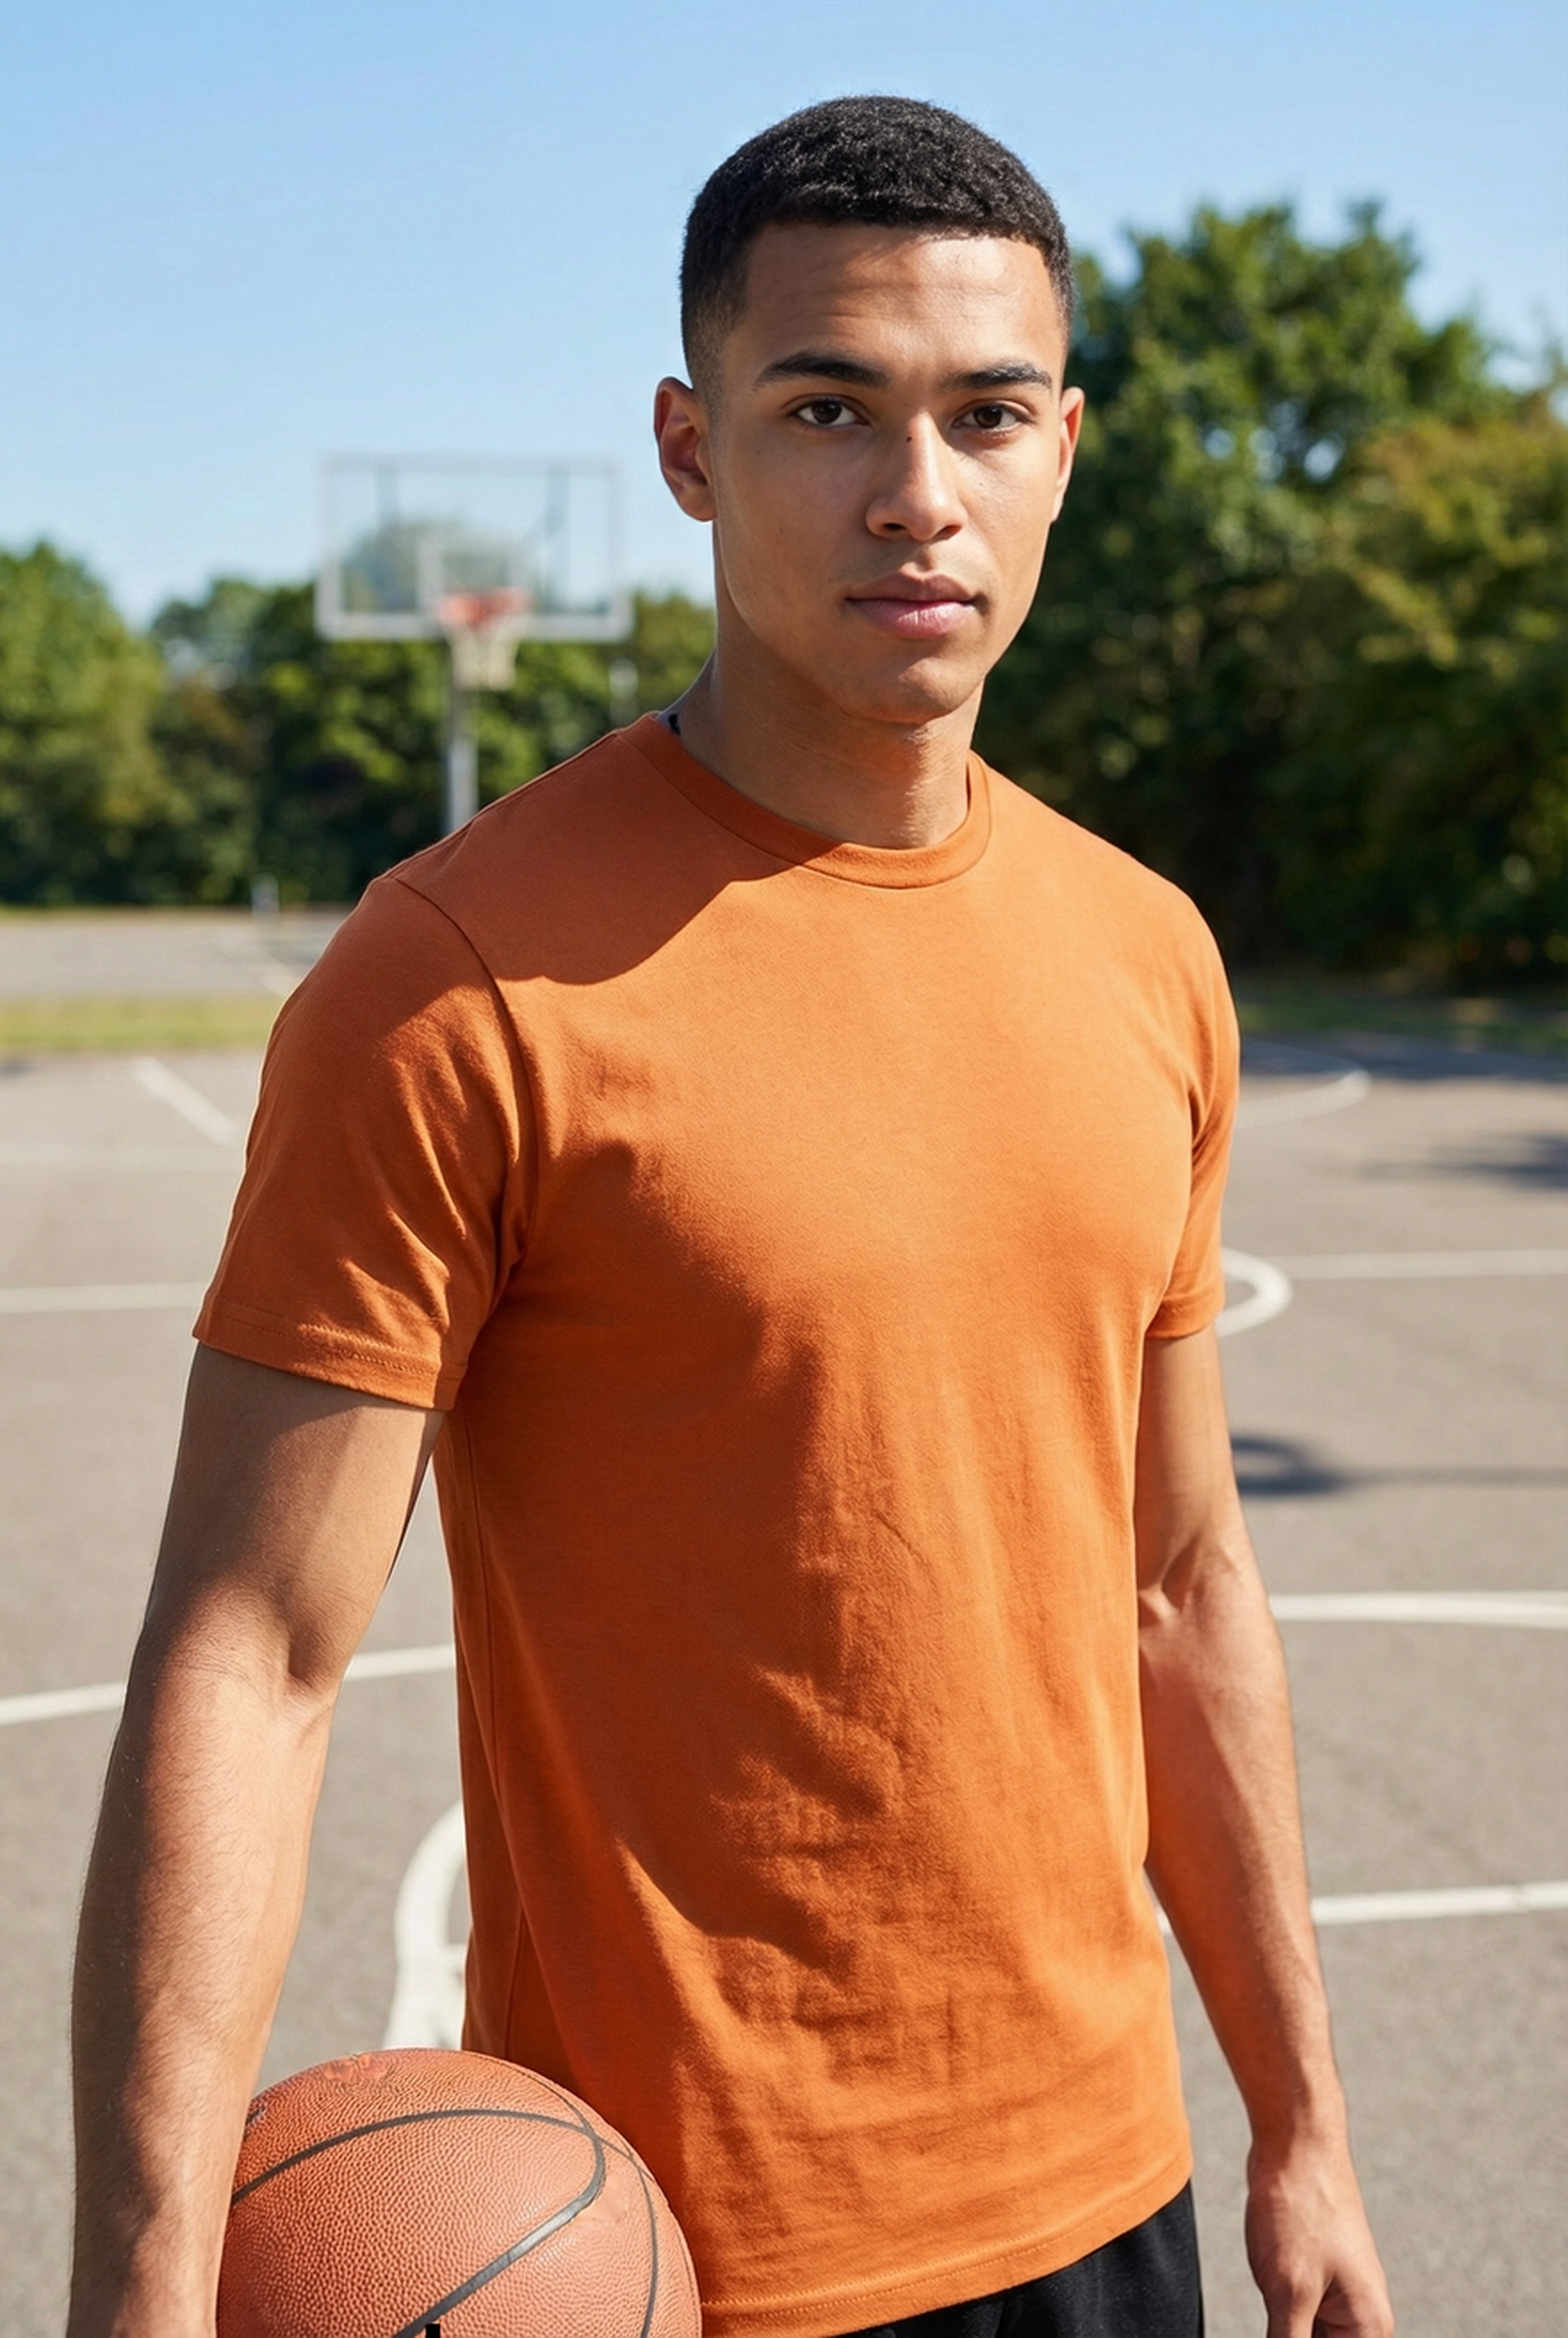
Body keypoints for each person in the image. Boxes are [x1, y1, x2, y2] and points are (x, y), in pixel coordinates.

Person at [69, 96, 1394, 2338]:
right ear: (690, 448)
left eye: (982, 414)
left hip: (1109, 2205)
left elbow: (1182, 1585)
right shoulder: (460, 976)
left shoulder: (1143, 947)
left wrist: (1306, 2124)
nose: (914, 490)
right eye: (824, 408)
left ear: (1063, 447)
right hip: (660, 2253)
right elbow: (252, 1655)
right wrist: (137, 2278)